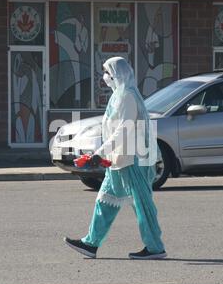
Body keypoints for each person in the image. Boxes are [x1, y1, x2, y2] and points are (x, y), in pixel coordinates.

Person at [64, 56, 167, 260]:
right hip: (119, 159)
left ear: (117, 74)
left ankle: (155, 248)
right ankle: (91, 244)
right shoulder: (118, 95)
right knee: (105, 201)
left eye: (107, 72)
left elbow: (123, 130)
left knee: (142, 204)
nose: (105, 77)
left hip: (133, 159)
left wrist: (99, 153)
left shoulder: (127, 96)